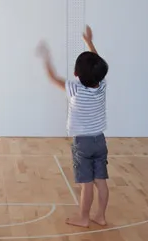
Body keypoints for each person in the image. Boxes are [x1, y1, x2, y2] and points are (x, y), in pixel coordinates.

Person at [37, 26, 109, 228]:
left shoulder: (75, 89)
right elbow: (97, 64)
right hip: (99, 140)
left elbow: (53, 77)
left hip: (83, 143)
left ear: (76, 73)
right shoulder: (101, 85)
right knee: (101, 181)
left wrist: (46, 57)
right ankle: (101, 216)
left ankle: (84, 217)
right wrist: (89, 42)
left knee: (86, 184)